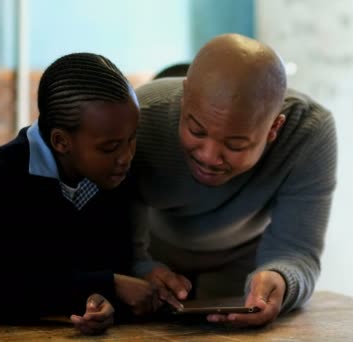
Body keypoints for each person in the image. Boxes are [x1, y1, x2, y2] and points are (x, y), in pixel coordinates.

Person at [132, 33, 337, 327]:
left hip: (243, 269)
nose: (209, 156)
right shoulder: (141, 115)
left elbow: (297, 251)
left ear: (273, 128)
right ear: (185, 95)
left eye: (236, 145)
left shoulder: (308, 133)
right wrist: (137, 266)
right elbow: (101, 230)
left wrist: (279, 279)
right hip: (149, 257)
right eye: (197, 131)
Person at [0, 53, 167, 335]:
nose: (126, 157)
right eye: (110, 146)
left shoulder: (112, 177)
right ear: (61, 141)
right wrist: (105, 284)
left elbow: (106, 265)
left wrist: (100, 302)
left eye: (132, 139)